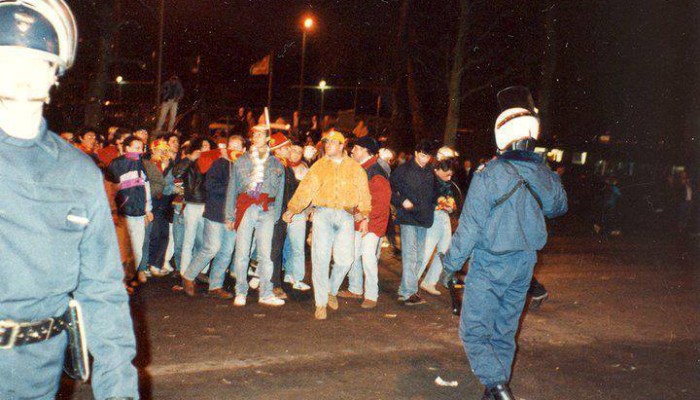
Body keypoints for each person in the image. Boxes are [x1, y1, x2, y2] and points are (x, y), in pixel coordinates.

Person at [0, 1, 138, 398]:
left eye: (38, 61)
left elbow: (103, 290)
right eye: (11, 58)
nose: (24, 73)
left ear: (55, 74)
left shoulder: (79, 173)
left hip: (38, 376)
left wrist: (118, 391)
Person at [441, 86, 567, 400]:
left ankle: (497, 386)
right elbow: (558, 206)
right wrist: (547, 174)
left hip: (490, 263)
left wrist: (449, 265)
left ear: (502, 134)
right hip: (525, 264)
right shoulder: (543, 171)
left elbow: (469, 227)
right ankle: (493, 390)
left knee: (472, 331)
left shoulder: (489, 174)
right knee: (504, 331)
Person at [283, 130, 372, 320]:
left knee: (346, 259)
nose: (328, 145)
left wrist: (364, 215)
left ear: (342, 146)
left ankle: (331, 289)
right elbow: (306, 189)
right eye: (326, 143)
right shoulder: (318, 166)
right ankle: (321, 302)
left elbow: (364, 193)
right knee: (320, 259)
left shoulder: (355, 168)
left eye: (333, 142)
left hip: (346, 216)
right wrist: (293, 208)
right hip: (323, 215)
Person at [226, 124, 287, 307]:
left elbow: (281, 191)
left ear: (268, 138)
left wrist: (276, 215)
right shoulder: (241, 161)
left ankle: (265, 293)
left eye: (260, 134)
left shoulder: (277, 164)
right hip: (247, 207)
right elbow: (232, 189)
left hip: (267, 209)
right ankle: (241, 291)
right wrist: (230, 215)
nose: (256, 137)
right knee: (242, 252)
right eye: (254, 134)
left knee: (265, 255)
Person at [181, 135, 244, 299]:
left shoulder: (244, 167)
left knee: (226, 251)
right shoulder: (219, 164)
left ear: (243, 150)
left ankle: (215, 285)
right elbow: (211, 186)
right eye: (231, 146)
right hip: (216, 212)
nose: (234, 150)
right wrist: (232, 188)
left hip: (234, 215)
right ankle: (188, 275)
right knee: (211, 247)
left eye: (237, 146)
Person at [333, 137, 391, 309]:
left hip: (372, 223)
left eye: (356, 148)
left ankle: (372, 294)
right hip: (361, 220)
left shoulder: (375, 172)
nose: (352, 151)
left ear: (366, 150)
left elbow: (381, 203)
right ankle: (356, 288)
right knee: (354, 254)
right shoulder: (363, 168)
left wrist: (366, 219)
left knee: (367, 257)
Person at [390, 139, 436, 305]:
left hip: (424, 218)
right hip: (408, 217)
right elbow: (390, 188)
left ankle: (405, 290)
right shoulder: (403, 169)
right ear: (417, 153)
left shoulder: (430, 171)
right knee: (410, 255)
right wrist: (401, 200)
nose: (425, 159)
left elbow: (434, 192)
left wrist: (438, 202)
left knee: (419, 257)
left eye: (428, 156)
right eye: (423, 155)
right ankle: (410, 292)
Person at [106, 136, 154, 283]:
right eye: (136, 148)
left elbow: (146, 186)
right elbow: (109, 190)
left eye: (141, 148)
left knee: (137, 249)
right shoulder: (117, 164)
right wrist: (113, 211)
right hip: (123, 214)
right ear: (127, 148)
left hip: (138, 213)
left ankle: (129, 278)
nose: (139, 151)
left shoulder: (140, 163)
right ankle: (118, 279)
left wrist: (148, 209)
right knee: (122, 249)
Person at [417, 157, 462, 296]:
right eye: (446, 173)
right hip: (433, 217)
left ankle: (430, 281)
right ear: (436, 170)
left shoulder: (447, 184)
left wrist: (451, 206)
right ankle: (411, 284)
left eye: (450, 173)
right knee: (426, 251)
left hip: (444, 217)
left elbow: (452, 200)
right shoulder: (429, 181)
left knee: (444, 250)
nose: (449, 176)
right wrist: (441, 205)